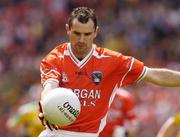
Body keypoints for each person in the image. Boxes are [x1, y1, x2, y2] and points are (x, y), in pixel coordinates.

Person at [39, 6, 180, 137]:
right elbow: (49, 86)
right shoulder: (55, 57)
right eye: (77, 33)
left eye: (87, 34)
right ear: (68, 29)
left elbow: (151, 74)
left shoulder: (112, 61)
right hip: (54, 133)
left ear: (95, 32)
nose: (81, 40)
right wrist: (48, 103)